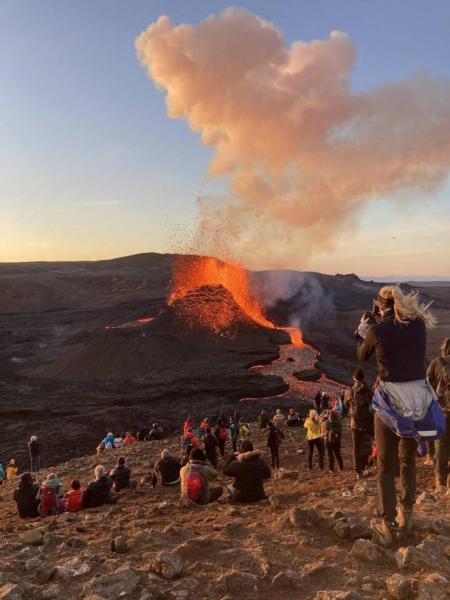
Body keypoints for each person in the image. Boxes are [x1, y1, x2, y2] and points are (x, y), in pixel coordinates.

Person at [356, 285, 436, 546]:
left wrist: (363, 329)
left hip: (391, 403)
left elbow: (361, 354)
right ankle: (408, 517)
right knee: (408, 459)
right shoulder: (419, 326)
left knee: (386, 465)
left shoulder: (378, 330)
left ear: (380, 305)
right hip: (418, 399)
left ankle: (388, 523)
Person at [427, 336, 450, 494]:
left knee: (441, 446)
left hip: (442, 412)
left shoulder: (436, 363)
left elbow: (426, 384)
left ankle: (440, 481)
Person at [345, 369, 374, 479]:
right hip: (367, 421)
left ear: (354, 378)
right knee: (374, 442)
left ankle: (358, 471)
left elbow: (346, 406)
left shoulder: (349, 392)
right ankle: (370, 464)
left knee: (356, 447)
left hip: (355, 423)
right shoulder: (369, 391)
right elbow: (374, 403)